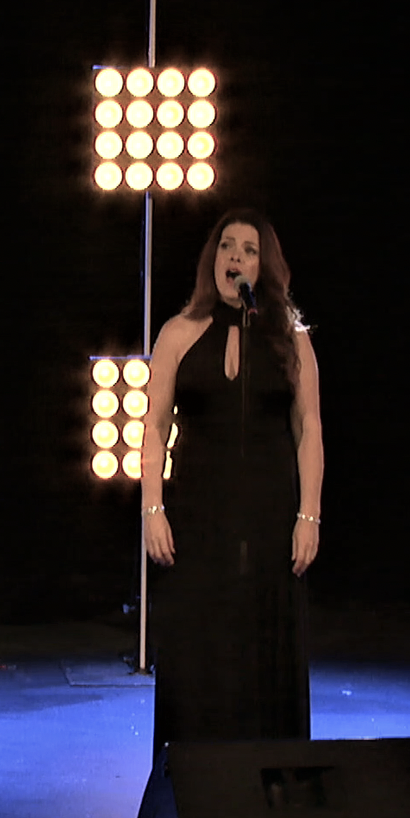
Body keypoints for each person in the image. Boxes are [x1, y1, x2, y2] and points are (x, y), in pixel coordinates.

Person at [140, 207, 323, 754]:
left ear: (262, 266)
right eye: (226, 246)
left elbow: (309, 428)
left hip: (269, 518)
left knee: (263, 648)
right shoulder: (178, 332)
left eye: (247, 249)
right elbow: (153, 427)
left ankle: (268, 783)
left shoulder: (290, 340)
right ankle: (188, 784)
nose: (235, 257)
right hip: (198, 516)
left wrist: (308, 515)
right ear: (212, 260)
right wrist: (153, 509)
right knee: (200, 648)